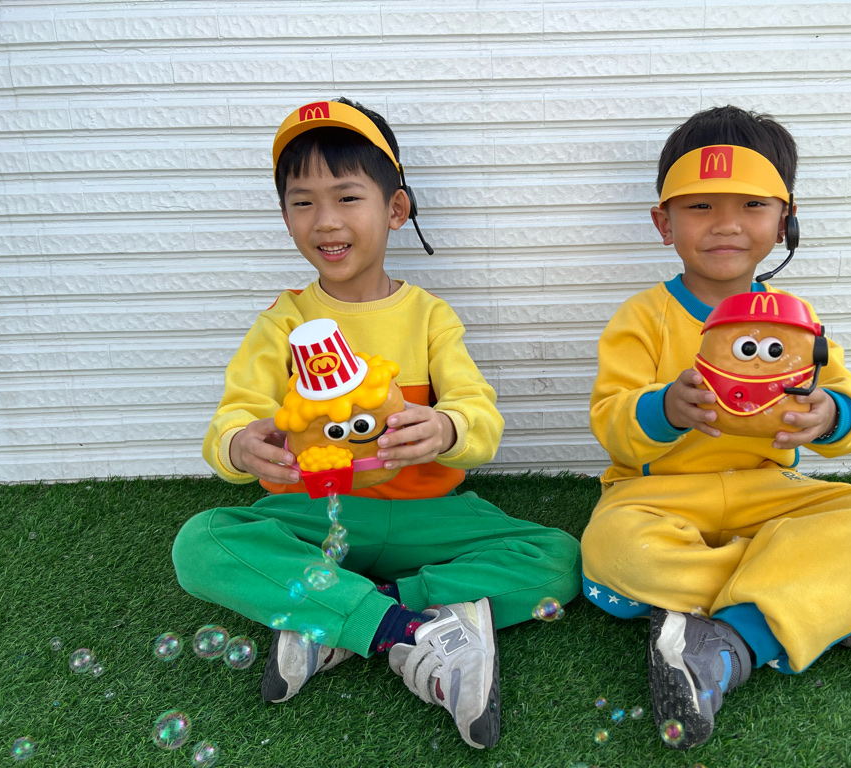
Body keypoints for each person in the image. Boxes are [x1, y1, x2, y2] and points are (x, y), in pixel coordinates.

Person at [171, 98, 581, 751]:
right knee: (199, 543)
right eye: (302, 202)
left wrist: (446, 428)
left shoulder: (429, 316)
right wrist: (242, 446)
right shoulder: (282, 322)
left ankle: (334, 614)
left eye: (347, 197)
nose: (326, 221)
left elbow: (480, 413)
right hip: (318, 513)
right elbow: (234, 416)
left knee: (558, 559)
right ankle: (407, 630)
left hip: (431, 517)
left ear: (395, 209)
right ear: (285, 216)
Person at [580, 105, 851, 749]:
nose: (727, 224)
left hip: (769, 495)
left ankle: (729, 640)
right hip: (655, 499)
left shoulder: (796, 320)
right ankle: (826, 597)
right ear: (664, 222)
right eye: (700, 206)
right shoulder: (642, 318)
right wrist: (663, 409)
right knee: (610, 551)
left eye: (753, 205)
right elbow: (611, 423)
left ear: (784, 220)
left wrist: (829, 414)